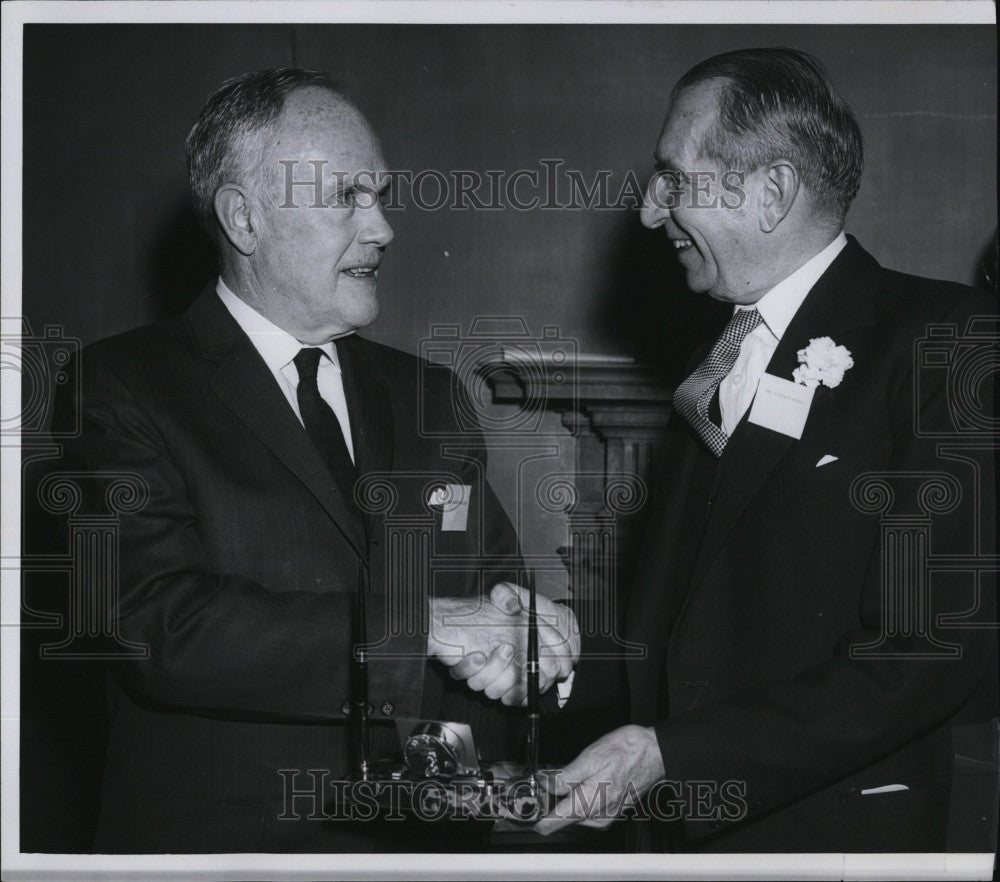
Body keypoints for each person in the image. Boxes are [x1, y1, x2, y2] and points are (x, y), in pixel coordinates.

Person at [51, 68, 577, 853]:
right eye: (347, 197)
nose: (384, 228)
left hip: (428, 845)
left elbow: (488, 593)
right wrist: (420, 628)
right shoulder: (122, 388)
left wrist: (534, 637)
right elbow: (156, 627)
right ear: (244, 218)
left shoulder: (430, 395)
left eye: (381, 194)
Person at [531, 47, 998, 852]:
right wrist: (561, 650)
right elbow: (691, 619)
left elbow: (929, 648)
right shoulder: (718, 357)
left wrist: (673, 756)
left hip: (832, 837)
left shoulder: (946, 343)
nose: (649, 211)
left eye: (674, 180)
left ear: (772, 192)